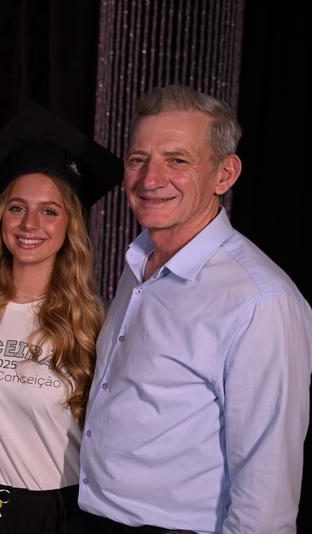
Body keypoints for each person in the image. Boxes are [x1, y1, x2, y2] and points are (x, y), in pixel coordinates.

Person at [78, 85, 312, 533]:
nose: (150, 180)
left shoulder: (260, 301)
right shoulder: (138, 263)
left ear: (225, 174)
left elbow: (267, 493)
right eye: (138, 159)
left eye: (178, 160)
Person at [0, 102, 121, 533]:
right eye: (17, 208)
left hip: (59, 514)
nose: (29, 224)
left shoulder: (96, 321)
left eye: (49, 211)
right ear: (0, 218)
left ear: (70, 225)